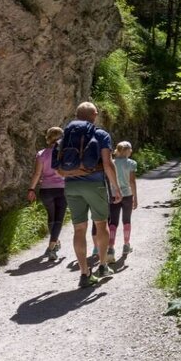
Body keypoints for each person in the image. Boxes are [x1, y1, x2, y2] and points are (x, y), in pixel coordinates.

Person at [55, 101, 122, 288]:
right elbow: (108, 164)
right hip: (95, 185)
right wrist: (116, 187)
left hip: (71, 186)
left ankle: (84, 273)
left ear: (77, 115)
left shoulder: (66, 135)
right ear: (94, 114)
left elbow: (58, 169)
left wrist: (73, 174)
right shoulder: (100, 134)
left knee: (79, 229)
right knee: (101, 224)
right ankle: (102, 266)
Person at [27, 126, 66, 261]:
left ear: (48, 138)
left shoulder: (41, 154)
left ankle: (54, 242)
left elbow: (37, 173)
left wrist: (31, 189)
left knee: (51, 216)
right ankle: (51, 248)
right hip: (62, 189)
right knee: (59, 219)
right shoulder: (64, 153)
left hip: (46, 190)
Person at [106, 141, 139, 262]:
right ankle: (126, 245)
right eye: (130, 149)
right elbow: (132, 182)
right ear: (126, 151)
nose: (131, 151)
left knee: (113, 222)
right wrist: (135, 197)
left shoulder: (112, 163)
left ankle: (110, 248)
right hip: (127, 195)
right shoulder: (131, 163)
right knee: (126, 220)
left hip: (114, 195)